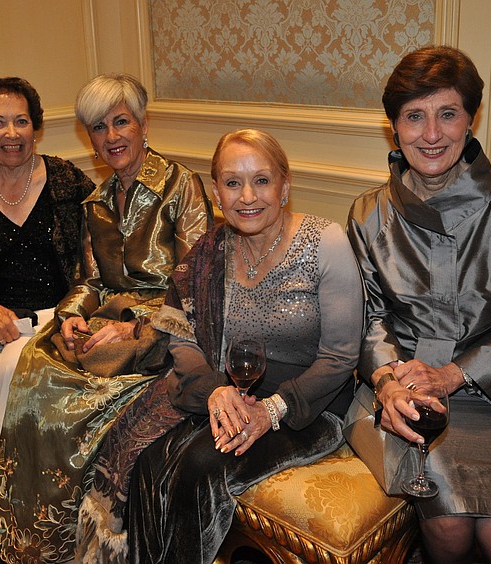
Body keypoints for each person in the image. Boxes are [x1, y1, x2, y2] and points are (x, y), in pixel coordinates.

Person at [0, 73, 212, 563]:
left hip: (166, 326)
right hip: (107, 323)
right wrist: (70, 314)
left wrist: (134, 326)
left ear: (143, 124)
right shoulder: (96, 202)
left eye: (121, 122)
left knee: (77, 396)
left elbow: (196, 284)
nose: (111, 137)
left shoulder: (181, 186)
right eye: (98, 127)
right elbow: (89, 281)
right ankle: (41, 536)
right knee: (33, 368)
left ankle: (82, 540)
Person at [347, 46, 491, 564]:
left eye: (448, 114)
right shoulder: (368, 213)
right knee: (449, 533)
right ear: (394, 126)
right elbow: (369, 317)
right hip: (401, 386)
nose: (431, 134)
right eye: (414, 116)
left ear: (470, 119)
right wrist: (388, 382)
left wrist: (453, 374)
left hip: (486, 386)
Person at [121, 128, 364, 564]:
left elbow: (341, 357)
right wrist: (215, 389)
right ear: (217, 193)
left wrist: (272, 409)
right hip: (233, 392)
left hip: (311, 406)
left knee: (200, 465)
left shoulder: (325, 242)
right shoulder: (211, 249)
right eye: (233, 183)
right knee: (148, 459)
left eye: (262, 180)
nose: (247, 196)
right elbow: (182, 333)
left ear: (284, 187)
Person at [0, 76, 95, 549]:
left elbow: (96, 254)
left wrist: (80, 306)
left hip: (51, 316)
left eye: (21, 121)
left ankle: (1, 488)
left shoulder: (68, 182)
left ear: (36, 128)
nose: (12, 133)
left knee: (12, 372)